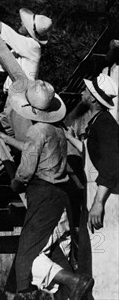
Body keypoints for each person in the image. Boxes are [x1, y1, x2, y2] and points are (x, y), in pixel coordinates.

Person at [0, 79, 93, 300]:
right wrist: (7, 138)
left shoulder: (36, 131)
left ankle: (74, 281)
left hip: (42, 195)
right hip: (61, 196)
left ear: (32, 108)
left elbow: (27, 168)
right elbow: (37, 150)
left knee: (27, 256)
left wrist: (16, 183)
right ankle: (74, 289)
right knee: (57, 252)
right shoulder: (56, 131)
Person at [65, 73, 119, 299]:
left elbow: (112, 163)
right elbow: (92, 155)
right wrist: (70, 138)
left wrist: (98, 203)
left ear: (94, 100)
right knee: (94, 253)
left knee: (105, 255)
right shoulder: (97, 123)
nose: (82, 93)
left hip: (106, 198)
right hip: (97, 194)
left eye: (86, 91)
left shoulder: (105, 124)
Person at [0, 7, 52, 141]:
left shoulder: (32, 46)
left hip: (22, 98)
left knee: (15, 139)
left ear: (30, 32)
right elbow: (5, 62)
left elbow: (9, 34)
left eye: (23, 25)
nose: (21, 24)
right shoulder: (24, 48)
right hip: (14, 98)